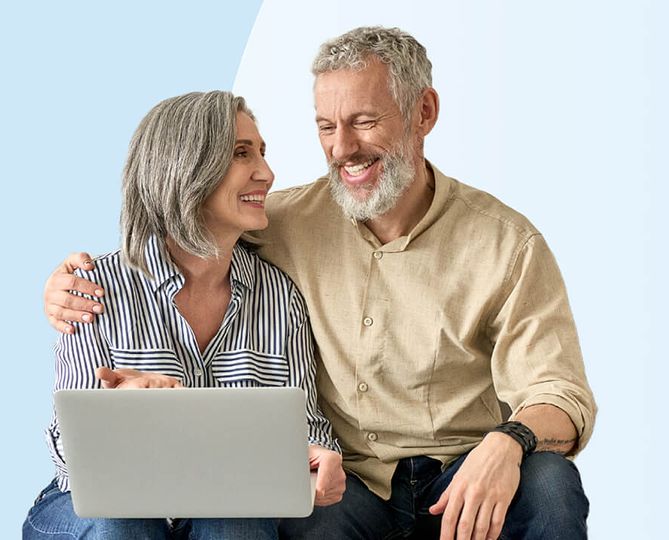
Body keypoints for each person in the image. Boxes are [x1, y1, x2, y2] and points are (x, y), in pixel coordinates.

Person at [43, 27, 597, 540]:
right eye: (326, 126)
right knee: (239, 514)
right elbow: (188, 222)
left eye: (364, 120)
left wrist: (509, 441)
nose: (342, 148)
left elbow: (562, 395)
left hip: (460, 478)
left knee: (548, 483)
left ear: (423, 112)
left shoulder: (507, 245)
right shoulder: (272, 222)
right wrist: (66, 282)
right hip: (351, 491)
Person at [24, 91, 345, 540]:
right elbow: (68, 453)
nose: (267, 174)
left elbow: (305, 424)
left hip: (223, 503)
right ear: (185, 167)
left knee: (237, 519)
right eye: (240, 153)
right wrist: (118, 414)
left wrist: (318, 456)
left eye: (262, 153)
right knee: (125, 520)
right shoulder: (96, 288)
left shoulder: (278, 297)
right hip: (91, 509)